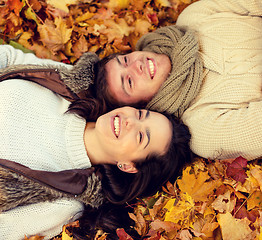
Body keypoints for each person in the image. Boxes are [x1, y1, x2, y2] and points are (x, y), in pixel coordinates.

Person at [0, 45, 192, 239]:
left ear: (127, 166)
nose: (130, 121)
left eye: (141, 136)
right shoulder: (70, 87)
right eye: (141, 115)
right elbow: (10, 58)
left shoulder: (67, 199)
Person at [96, 0, 262, 161]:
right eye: (130, 82)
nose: (136, 66)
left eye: (125, 61)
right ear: (141, 105)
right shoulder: (203, 128)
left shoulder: (192, 18)